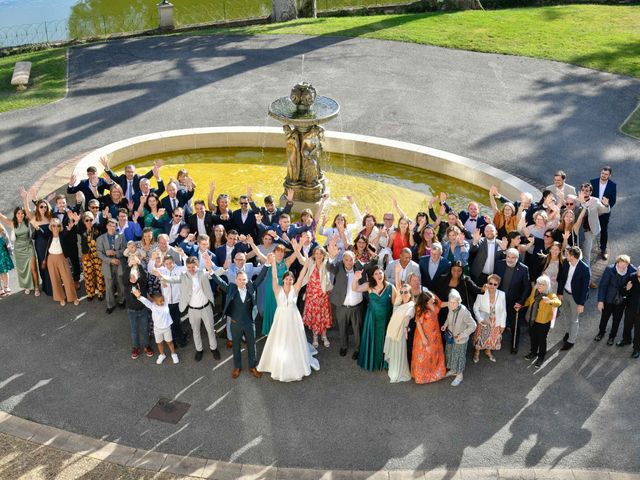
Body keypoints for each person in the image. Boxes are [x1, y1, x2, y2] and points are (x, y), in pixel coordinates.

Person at [257, 253, 320, 382]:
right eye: (287, 279)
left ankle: (297, 361)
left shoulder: (295, 288)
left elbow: (302, 276)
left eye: (291, 279)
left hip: (293, 318)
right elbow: (274, 277)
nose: (289, 280)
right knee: (279, 339)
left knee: (293, 339)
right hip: (280, 318)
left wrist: (307, 264)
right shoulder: (277, 289)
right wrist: (273, 263)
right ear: (284, 279)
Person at [155, 256, 220, 362]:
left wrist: (223, 268)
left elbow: (216, 274)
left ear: (197, 265)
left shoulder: (203, 273)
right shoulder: (184, 276)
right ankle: (199, 350)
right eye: (188, 267)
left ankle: (214, 348)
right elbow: (173, 279)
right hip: (192, 310)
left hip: (206, 308)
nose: (191, 269)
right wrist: (161, 277)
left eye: (193, 267)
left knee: (210, 330)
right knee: (195, 331)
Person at [211, 268, 267, 378]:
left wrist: (267, 264)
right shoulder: (231, 288)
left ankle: (252, 366)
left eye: (244, 279)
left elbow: (260, 278)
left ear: (247, 280)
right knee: (236, 346)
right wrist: (211, 271)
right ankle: (237, 367)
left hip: (249, 323)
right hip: (235, 323)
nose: (242, 281)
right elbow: (220, 282)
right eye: (240, 279)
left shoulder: (251, 287)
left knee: (252, 345)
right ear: (236, 280)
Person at [326, 244, 373, 359]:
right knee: (342, 328)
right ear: (343, 260)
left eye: (351, 260)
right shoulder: (338, 268)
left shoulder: (359, 268)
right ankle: (343, 346)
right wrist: (332, 256)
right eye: (346, 260)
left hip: (356, 307)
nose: (348, 262)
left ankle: (358, 349)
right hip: (342, 306)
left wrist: (373, 254)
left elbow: (371, 265)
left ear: (354, 260)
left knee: (357, 329)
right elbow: (329, 267)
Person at [354, 266, 397, 371]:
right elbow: (355, 289)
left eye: (380, 273)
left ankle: (384, 363)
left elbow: (395, 305)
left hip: (386, 320)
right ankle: (371, 361)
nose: (379, 275)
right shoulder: (369, 286)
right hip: (372, 319)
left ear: (384, 274)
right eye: (376, 274)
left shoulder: (391, 287)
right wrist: (356, 279)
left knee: (384, 339)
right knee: (372, 339)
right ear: (372, 276)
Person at [494, 248, 531, 354]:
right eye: (508, 257)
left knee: (515, 324)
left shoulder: (524, 269)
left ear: (517, 258)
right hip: (498, 299)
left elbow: (527, 287)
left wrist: (521, 302)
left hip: (514, 302)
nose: (510, 259)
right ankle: (494, 340)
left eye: (513, 257)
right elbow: (494, 279)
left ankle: (514, 344)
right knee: (496, 321)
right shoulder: (499, 264)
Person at [38, 217, 80, 306]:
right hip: (51, 259)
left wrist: (70, 228)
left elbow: (68, 233)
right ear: (51, 227)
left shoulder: (63, 234)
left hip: (62, 258)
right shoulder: (48, 235)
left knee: (68, 278)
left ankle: (73, 297)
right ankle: (60, 297)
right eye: (53, 225)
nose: (55, 227)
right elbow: (39, 231)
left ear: (60, 226)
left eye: (57, 225)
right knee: (55, 279)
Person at [596, 255, 635, 345]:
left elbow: (638, 272)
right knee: (604, 318)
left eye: (625, 264)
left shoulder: (631, 270)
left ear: (628, 264)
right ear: (617, 262)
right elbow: (603, 286)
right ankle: (601, 333)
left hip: (621, 301)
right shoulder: (609, 270)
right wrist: (600, 301)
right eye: (621, 263)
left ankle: (612, 337)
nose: (623, 266)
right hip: (608, 300)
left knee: (616, 320)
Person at [557, 246, 591, 351]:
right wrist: (560, 292)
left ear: (573, 256)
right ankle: (568, 332)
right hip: (565, 293)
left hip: (575, 298)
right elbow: (562, 278)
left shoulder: (584, 269)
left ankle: (571, 341)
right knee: (567, 315)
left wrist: (581, 304)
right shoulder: (567, 263)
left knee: (574, 319)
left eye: (567, 254)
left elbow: (585, 288)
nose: (565, 256)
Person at [523, 275, 562, 368]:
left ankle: (541, 357)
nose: (539, 286)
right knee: (533, 337)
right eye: (538, 283)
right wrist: (521, 305)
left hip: (543, 322)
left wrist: (550, 301)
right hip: (533, 319)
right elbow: (529, 300)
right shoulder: (534, 291)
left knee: (541, 340)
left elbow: (558, 303)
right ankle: (533, 352)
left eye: (542, 284)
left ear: (547, 286)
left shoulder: (550, 295)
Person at [298, 246, 333, 348]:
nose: (318, 255)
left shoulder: (327, 264)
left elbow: (332, 262)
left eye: (321, 253)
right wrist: (297, 248)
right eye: (316, 253)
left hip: (323, 295)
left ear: (324, 255)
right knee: (314, 316)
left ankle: (324, 336)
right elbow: (301, 260)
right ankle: (315, 337)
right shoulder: (311, 263)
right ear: (314, 255)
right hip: (311, 296)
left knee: (323, 316)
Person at [133, 289, 179, 365]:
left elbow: (167, 292)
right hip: (157, 329)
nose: (162, 302)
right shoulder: (153, 306)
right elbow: (146, 302)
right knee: (159, 343)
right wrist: (139, 297)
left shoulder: (166, 303)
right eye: (160, 301)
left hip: (166, 328)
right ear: (155, 301)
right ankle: (162, 354)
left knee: (169, 342)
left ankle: (173, 354)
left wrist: (165, 284)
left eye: (163, 300)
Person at [441, 289, 477, 386]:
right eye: (450, 302)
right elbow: (449, 318)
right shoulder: (450, 307)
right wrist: (445, 325)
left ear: (459, 301)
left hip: (460, 339)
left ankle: (459, 375)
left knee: (459, 357)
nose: (452, 305)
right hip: (451, 337)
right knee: (451, 354)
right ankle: (453, 370)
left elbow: (473, 326)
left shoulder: (464, 312)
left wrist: (462, 335)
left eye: (454, 303)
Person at [411, 290, 447, 384]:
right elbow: (418, 323)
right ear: (426, 301)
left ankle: (435, 374)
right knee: (425, 354)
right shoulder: (420, 308)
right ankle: (423, 376)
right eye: (431, 299)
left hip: (435, 334)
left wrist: (452, 302)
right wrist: (423, 338)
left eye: (433, 297)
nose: (434, 299)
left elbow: (441, 304)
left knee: (434, 353)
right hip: (424, 334)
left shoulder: (434, 300)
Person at [154, 254, 189, 349]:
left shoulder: (179, 269)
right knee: (170, 322)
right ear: (164, 264)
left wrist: (183, 255)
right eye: (167, 263)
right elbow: (151, 269)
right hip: (167, 302)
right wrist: (156, 260)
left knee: (177, 321)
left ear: (174, 262)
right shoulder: (162, 270)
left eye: (170, 263)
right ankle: (173, 340)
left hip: (177, 301)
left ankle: (180, 339)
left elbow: (187, 266)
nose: (169, 265)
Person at [0, 208, 37, 295]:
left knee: (33, 268)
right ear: (15, 215)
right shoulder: (13, 224)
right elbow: (2, 217)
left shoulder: (27, 221)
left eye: (22, 213)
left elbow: (31, 212)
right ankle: (27, 286)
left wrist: (28, 199)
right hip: (19, 250)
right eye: (18, 213)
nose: (20, 215)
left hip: (29, 247)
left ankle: (36, 287)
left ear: (24, 214)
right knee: (23, 270)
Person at [383, 284, 414, 383]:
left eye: (406, 292)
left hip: (400, 333)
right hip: (392, 332)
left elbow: (408, 316)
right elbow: (396, 303)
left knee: (400, 353)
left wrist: (405, 327)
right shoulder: (398, 304)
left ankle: (400, 372)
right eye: (402, 292)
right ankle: (394, 370)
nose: (403, 294)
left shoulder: (411, 305)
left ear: (410, 294)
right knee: (394, 352)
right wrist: (399, 292)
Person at [473, 274, 506, 363]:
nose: (492, 286)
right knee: (480, 337)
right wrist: (480, 319)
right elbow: (475, 308)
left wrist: (503, 325)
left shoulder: (502, 294)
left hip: (496, 320)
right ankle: (477, 352)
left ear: (498, 285)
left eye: (495, 284)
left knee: (492, 337)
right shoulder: (481, 293)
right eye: (490, 283)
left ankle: (488, 351)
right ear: (487, 283)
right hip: (484, 320)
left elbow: (503, 311)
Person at [123, 261, 153, 360]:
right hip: (132, 311)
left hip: (143, 310)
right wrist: (129, 266)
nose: (133, 278)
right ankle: (135, 347)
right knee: (134, 330)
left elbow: (144, 276)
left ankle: (147, 346)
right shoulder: (126, 284)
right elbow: (124, 277)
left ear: (137, 276)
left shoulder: (142, 282)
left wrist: (139, 265)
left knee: (145, 329)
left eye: (134, 276)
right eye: (131, 276)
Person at [577, 183, 610, 272]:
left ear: (591, 192)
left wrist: (606, 205)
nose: (585, 192)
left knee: (586, 255)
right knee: (576, 253)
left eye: (587, 191)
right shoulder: (576, 200)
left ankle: (587, 276)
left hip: (588, 231)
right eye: (583, 190)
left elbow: (605, 210)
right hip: (577, 231)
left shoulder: (595, 201)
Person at [97, 219, 126, 314]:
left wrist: (115, 253)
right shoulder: (100, 238)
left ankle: (122, 301)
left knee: (121, 284)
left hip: (119, 263)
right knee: (109, 286)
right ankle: (110, 305)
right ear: (106, 226)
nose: (112, 228)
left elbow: (125, 249)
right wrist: (110, 260)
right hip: (107, 265)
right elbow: (99, 253)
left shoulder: (121, 236)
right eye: (110, 225)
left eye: (114, 226)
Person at [590, 166, 616, 260]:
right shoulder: (593, 182)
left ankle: (603, 249)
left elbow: (613, 201)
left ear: (609, 175)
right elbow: (589, 195)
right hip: (593, 210)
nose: (604, 175)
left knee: (604, 230)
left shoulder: (613, 185)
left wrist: (606, 207)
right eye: (602, 173)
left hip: (604, 212)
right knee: (588, 228)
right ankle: (586, 247)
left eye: (606, 174)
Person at [78, 211, 105, 301]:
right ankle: (90, 293)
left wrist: (105, 217)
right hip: (87, 256)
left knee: (99, 274)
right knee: (88, 275)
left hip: (97, 256)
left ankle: (101, 292)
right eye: (87, 220)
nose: (89, 222)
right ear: (84, 221)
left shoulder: (97, 228)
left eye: (91, 220)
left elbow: (104, 225)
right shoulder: (82, 231)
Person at [620, 268, 640, 358]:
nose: (638, 276)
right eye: (638, 274)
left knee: (638, 331)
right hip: (630, 308)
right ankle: (626, 339)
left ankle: (636, 348)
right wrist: (627, 289)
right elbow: (623, 292)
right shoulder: (632, 277)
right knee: (627, 325)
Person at [0, 222, 14, 296]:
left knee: (4, 271)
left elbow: (7, 240)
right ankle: (0, 289)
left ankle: (6, 286)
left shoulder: (1, 230)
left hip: (2, 253)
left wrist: (10, 250)